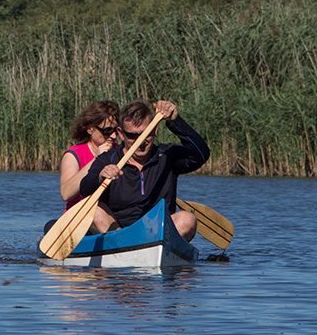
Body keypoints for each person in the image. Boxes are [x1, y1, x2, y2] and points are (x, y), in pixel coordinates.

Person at [77, 99, 209, 240]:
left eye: (146, 134)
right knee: (93, 210)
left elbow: (201, 154)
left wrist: (175, 121)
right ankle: (124, 244)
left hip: (158, 233)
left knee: (187, 218)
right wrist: (100, 177)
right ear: (121, 134)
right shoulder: (107, 159)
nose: (140, 141)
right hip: (118, 233)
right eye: (132, 135)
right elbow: (84, 189)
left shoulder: (167, 155)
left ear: (155, 130)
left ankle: (153, 245)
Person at [59, 101, 120, 234]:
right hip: (80, 219)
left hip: (110, 217)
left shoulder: (120, 152)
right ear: (90, 129)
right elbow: (66, 193)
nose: (113, 136)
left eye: (116, 130)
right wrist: (96, 160)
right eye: (107, 131)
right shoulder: (73, 154)